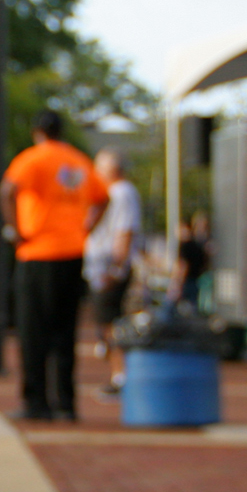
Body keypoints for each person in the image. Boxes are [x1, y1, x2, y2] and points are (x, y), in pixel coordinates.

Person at [0, 110, 108, 421]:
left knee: (33, 332)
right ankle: (66, 403)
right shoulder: (79, 161)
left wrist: (16, 231)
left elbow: (6, 191)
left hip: (37, 252)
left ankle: (36, 403)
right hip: (73, 253)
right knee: (65, 331)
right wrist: (87, 228)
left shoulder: (32, 158)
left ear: (37, 132)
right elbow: (103, 198)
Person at [84, 148, 140, 397]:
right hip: (101, 268)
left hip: (108, 269)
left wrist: (116, 269)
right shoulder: (114, 192)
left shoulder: (121, 192)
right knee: (105, 325)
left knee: (111, 324)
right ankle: (119, 376)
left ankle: (122, 377)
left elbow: (125, 230)